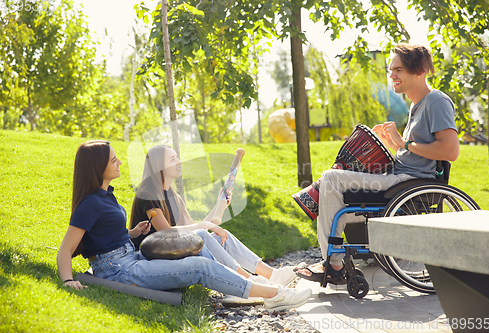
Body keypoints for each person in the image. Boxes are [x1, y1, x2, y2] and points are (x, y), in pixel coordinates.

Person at [57, 140, 312, 311]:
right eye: (114, 160)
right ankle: (273, 294)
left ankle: (261, 286)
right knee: (200, 265)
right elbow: (65, 250)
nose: (119, 163)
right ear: (97, 167)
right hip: (116, 269)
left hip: (130, 258)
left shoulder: (106, 196)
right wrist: (68, 281)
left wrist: (132, 233)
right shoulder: (92, 203)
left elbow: (105, 234)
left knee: (202, 243)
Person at [297, 43, 459, 283]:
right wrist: (393, 143)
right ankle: (333, 262)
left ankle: (333, 264)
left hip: (407, 182)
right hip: (400, 176)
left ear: (420, 71)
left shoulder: (436, 101)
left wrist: (403, 145)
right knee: (335, 188)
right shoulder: (417, 104)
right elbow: (417, 151)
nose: (391, 75)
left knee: (331, 178)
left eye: (399, 70)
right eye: (390, 69)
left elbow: (450, 150)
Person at [129, 145, 304, 287]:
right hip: (151, 256)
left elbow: (192, 228)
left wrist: (219, 205)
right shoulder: (148, 193)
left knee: (221, 238)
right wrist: (206, 227)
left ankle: (272, 275)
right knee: (205, 233)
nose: (180, 162)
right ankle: (246, 281)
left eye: (177, 157)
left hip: (172, 249)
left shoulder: (173, 195)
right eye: (172, 159)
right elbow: (166, 232)